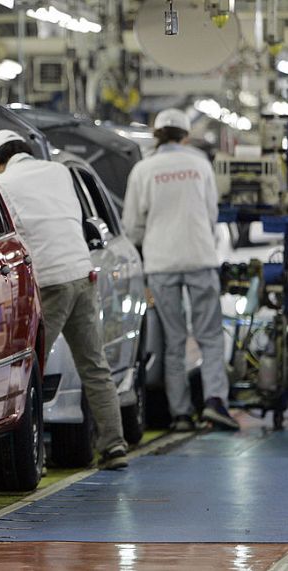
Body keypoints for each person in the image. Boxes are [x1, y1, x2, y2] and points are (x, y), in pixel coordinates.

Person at [0, 129, 129, 470]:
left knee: (28, 372)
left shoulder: (4, 185)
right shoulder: (59, 171)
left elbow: (7, 236)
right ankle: (114, 443)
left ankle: (31, 459)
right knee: (94, 364)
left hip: (49, 283)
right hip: (81, 275)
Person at [122, 108, 239, 432]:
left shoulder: (144, 170)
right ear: (185, 135)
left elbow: (132, 226)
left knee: (173, 341)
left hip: (161, 264)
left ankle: (181, 413)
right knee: (210, 337)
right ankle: (215, 402)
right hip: (200, 258)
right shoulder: (200, 164)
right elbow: (211, 214)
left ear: (157, 133)